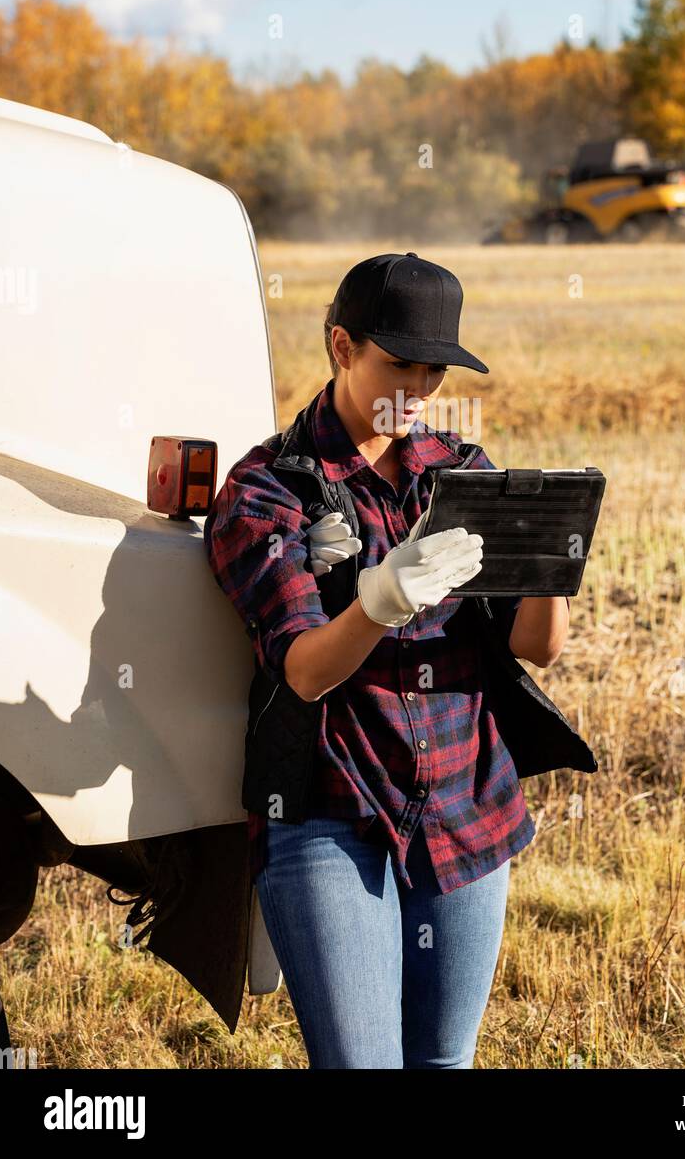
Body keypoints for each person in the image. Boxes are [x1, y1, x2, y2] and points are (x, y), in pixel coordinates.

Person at [204, 251, 572, 1068]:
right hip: (332, 811)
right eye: (397, 363)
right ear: (342, 346)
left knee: (444, 1061)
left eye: (434, 370)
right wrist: (376, 602)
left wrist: (550, 566)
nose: (419, 389)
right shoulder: (267, 489)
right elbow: (303, 672)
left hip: (465, 804)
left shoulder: (463, 475)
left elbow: (535, 648)